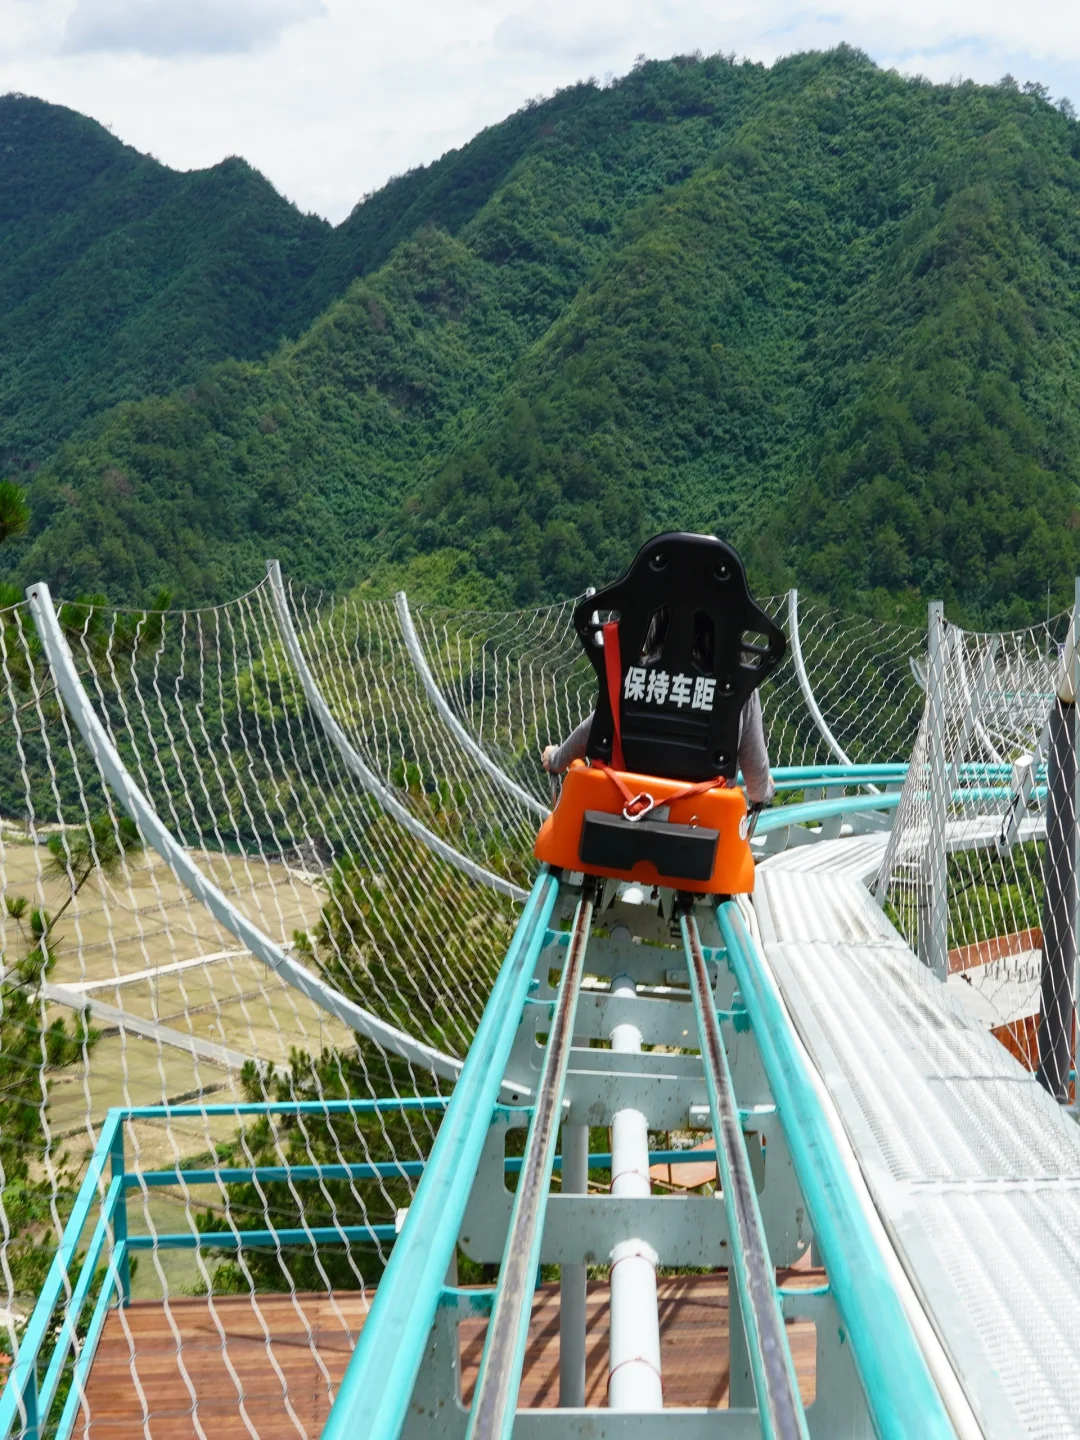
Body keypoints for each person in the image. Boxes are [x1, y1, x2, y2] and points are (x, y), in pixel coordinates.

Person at [541, 688, 775, 807]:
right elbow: (756, 788)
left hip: (623, 806)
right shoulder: (742, 687)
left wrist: (557, 759)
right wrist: (766, 790)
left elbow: (597, 725)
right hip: (703, 827)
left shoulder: (637, 669)